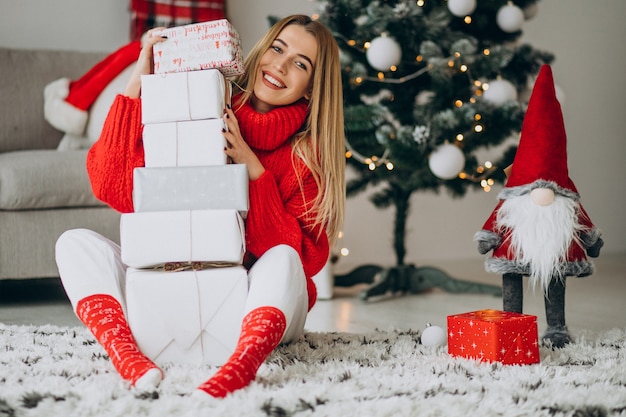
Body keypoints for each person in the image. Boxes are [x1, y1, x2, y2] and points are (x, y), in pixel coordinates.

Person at [55, 14, 345, 397]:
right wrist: (136, 83)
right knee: (73, 243)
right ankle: (126, 354)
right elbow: (112, 187)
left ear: (311, 88)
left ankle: (241, 367)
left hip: (250, 309)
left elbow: (301, 261)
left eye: (300, 63)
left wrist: (253, 171)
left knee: (285, 259)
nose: (280, 65)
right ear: (261, 51)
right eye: (277, 48)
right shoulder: (195, 114)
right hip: (170, 293)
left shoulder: (304, 160)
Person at [474, 65, 603, 348]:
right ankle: (511, 322)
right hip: (516, 249)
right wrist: (488, 238)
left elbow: (582, 220)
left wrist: (591, 240)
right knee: (512, 277)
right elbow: (497, 219)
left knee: (554, 279)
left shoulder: (565, 200)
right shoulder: (515, 201)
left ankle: (556, 327)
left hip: (554, 251)